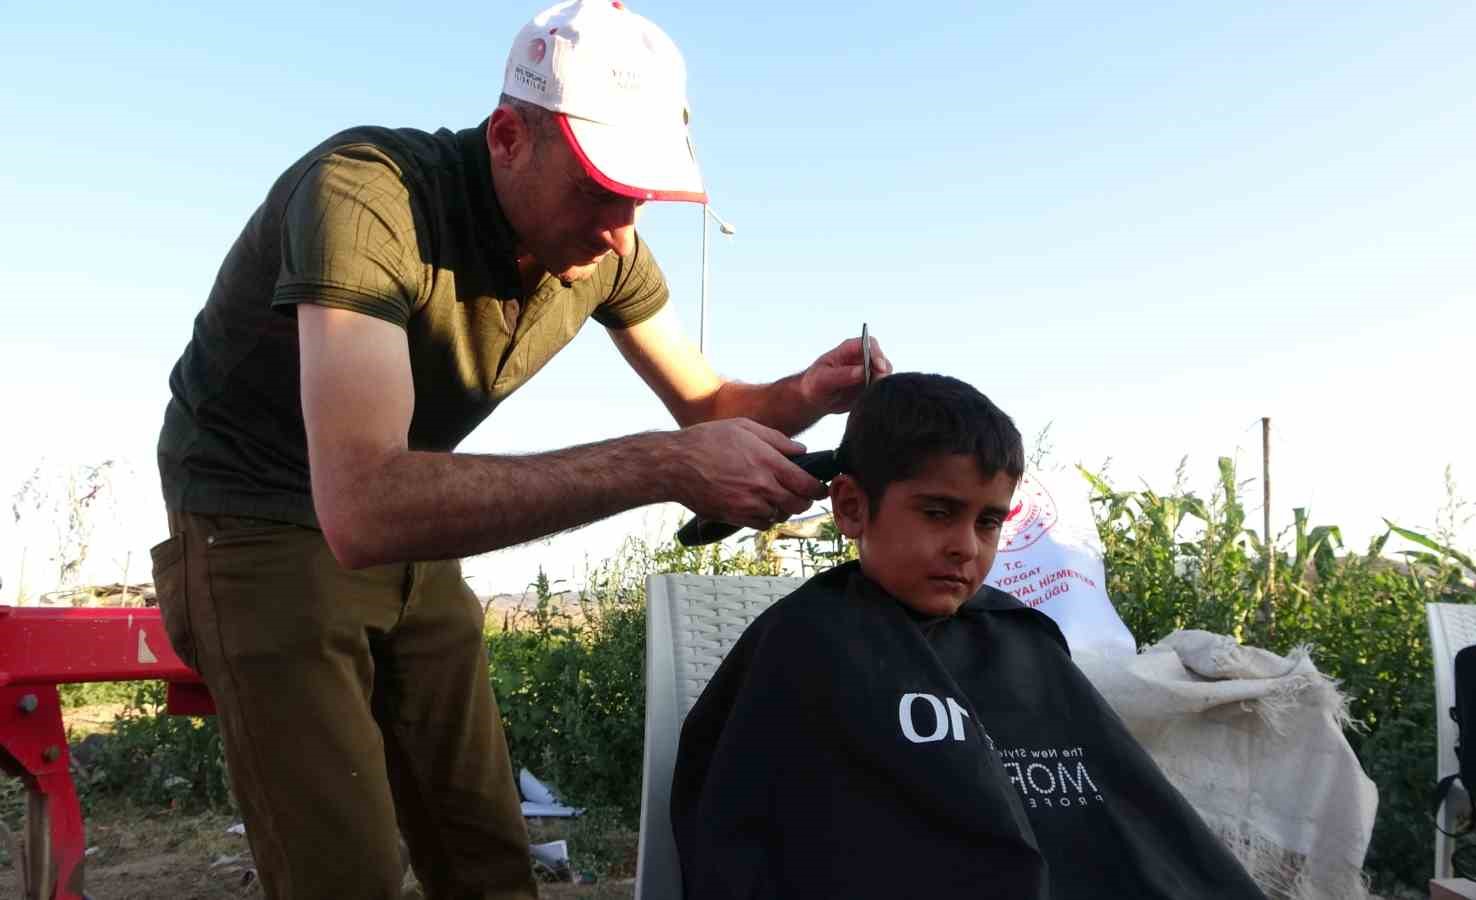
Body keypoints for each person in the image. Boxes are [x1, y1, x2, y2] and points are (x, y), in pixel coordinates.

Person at [149, 2, 889, 897]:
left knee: (487, 855)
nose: (622, 227)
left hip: (410, 516)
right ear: (507, 136)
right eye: (600, 188)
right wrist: (659, 466)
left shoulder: (606, 244)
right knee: (342, 870)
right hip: (257, 516)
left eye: (641, 195)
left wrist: (807, 395)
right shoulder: (365, 194)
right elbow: (363, 507)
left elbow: (705, 405)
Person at [670, 373, 1267, 899]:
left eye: (987, 522)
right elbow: (747, 841)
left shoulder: (1020, 639)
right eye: (937, 512)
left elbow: (1126, 827)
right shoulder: (802, 644)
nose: (966, 546)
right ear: (851, 508)